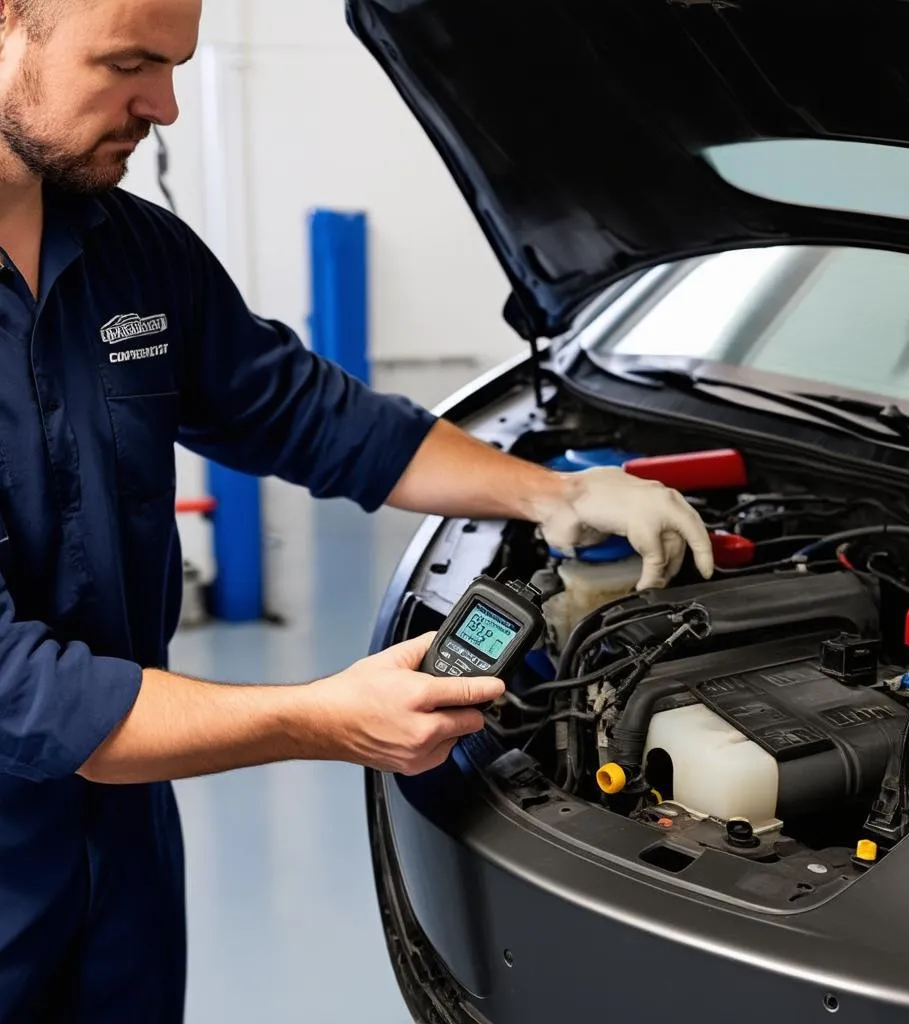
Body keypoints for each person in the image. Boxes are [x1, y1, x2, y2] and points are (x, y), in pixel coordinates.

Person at [0, 0, 715, 1019]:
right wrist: (317, 718)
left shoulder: (130, 250)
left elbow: (302, 412)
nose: (161, 106)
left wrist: (554, 492)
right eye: (127, 64)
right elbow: (17, 693)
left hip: (120, 826)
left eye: (174, 66)